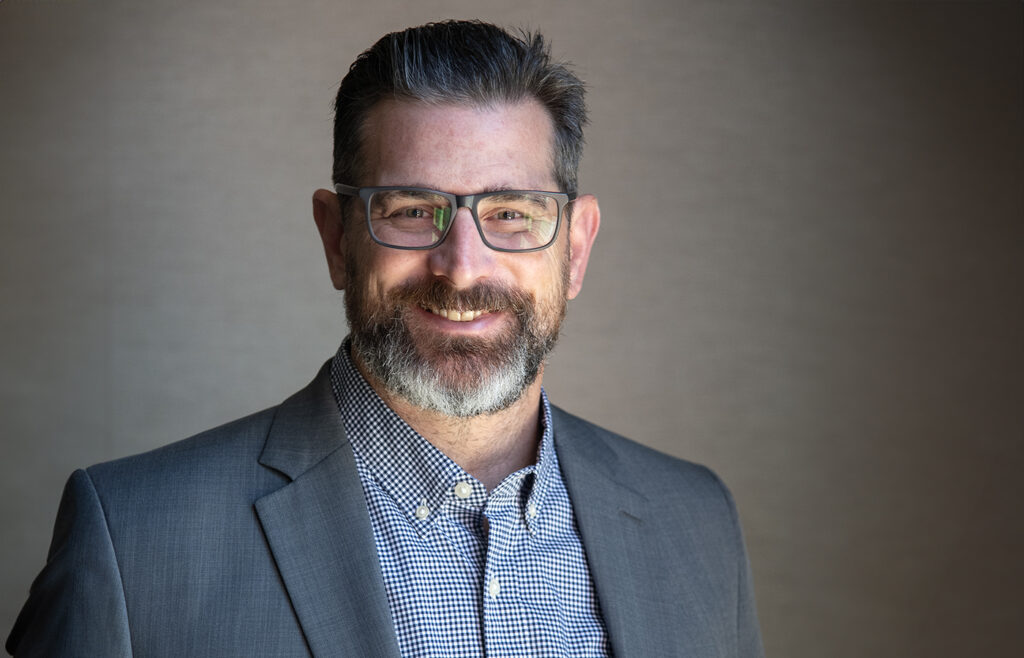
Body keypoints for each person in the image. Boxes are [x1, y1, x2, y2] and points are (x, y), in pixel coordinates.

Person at [7, 20, 763, 657]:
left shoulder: (695, 521)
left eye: (512, 213)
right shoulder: (134, 541)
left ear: (576, 246)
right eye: (410, 210)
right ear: (337, 240)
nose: (463, 269)